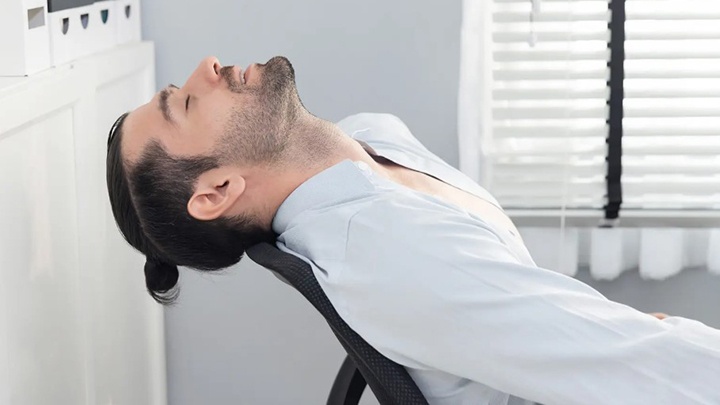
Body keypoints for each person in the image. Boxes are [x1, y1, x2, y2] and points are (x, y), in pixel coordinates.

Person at [106, 56, 720, 405]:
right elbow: (650, 372)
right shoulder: (390, 253)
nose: (207, 67)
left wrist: (607, 326)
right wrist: (626, 336)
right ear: (217, 191)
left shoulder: (367, 141)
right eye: (186, 104)